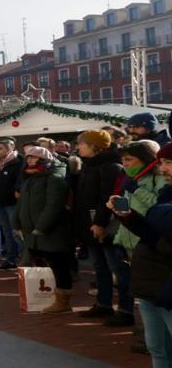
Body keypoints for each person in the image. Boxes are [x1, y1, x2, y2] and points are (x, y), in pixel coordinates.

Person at [110, 156, 172, 368]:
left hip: (167, 283)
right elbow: (152, 232)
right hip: (151, 283)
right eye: (163, 163)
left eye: (170, 163)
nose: (163, 169)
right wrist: (128, 216)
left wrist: (156, 231)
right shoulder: (165, 193)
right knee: (159, 348)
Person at [74, 130, 130, 324]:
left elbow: (106, 198)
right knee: (99, 266)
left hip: (104, 224)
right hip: (89, 223)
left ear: (94, 146)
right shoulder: (88, 165)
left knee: (118, 267)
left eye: (81, 143)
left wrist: (99, 223)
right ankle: (103, 303)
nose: (78, 147)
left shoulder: (110, 167)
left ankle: (125, 309)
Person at [15, 145, 77, 313]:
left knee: (59, 265)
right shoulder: (30, 177)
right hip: (32, 232)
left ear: (44, 159)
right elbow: (21, 203)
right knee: (44, 264)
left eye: (34, 157)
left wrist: (41, 227)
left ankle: (63, 301)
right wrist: (17, 223)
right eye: (28, 157)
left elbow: (54, 205)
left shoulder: (54, 177)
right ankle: (48, 297)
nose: (30, 160)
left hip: (51, 231)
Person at [0, 139, 24, 271]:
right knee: (7, 232)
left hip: (12, 203)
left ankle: (24, 259)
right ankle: (10, 259)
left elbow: (18, 183)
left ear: (9, 149)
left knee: (17, 232)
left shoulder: (18, 162)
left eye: (0, 148)